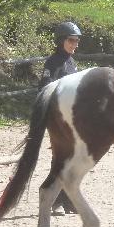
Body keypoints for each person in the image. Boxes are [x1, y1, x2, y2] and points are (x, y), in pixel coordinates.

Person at [38, 21, 82, 214]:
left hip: (72, 117)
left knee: (72, 159)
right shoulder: (53, 62)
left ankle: (67, 200)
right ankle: (55, 201)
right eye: (71, 40)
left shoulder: (72, 63)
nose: (75, 44)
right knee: (61, 158)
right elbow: (45, 88)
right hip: (58, 117)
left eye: (77, 41)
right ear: (61, 40)